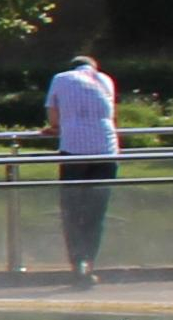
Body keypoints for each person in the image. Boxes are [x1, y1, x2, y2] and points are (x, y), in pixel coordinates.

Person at [45, 50, 121, 279]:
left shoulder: (61, 79)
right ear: (93, 68)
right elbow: (110, 114)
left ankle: (76, 262)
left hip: (74, 151)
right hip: (107, 151)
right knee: (96, 212)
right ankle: (90, 262)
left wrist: (55, 127)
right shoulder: (106, 80)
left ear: (72, 67)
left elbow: (54, 118)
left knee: (71, 209)